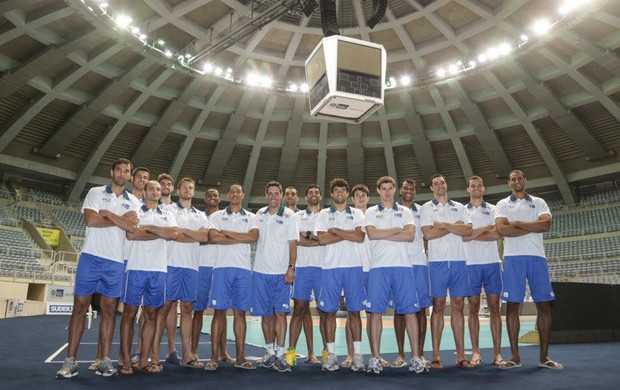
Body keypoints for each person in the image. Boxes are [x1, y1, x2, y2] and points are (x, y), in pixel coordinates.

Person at [56, 158, 140, 379]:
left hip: (115, 261)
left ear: (130, 176)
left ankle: (104, 361)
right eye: (119, 170)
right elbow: (91, 221)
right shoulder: (95, 192)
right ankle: (70, 361)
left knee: (110, 311)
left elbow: (131, 229)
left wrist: (109, 214)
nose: (122, 174)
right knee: (80, 307)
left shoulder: (133, 201)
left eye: (126, 171)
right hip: (91, 257)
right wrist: (120, 220)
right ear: (112, 172)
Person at [495, 170, 562, 370]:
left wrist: (516, 223)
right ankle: (515, 357)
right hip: (513, 259)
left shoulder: (539, 202)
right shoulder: (502, 204)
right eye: (513, 178)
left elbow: (546, 225)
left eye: (520, 178)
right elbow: (502, 230)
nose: (517, 181)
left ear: (525, 180)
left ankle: (544, 357)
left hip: (537, 258)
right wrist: (531, 226)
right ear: (509, 182)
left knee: (544, 307)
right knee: (512, 307)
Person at [364, 176, 427, 374]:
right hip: (379, 267)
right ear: (378, 191)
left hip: (403, 266)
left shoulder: (406, 211)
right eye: (384, 188)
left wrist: (383, 231)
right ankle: (375, 358)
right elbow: (372, 234)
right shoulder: (371, 211)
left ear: (395, 190)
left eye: (390, 188)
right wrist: (396, 230)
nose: (387, 191)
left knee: (409, 311)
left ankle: (416, 357)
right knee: (375, 312)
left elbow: (409, 236)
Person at [119, 181, 178, 374]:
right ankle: (126, 360)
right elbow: (132, 235)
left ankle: (144, 359)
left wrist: (148, 228)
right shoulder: (136, 212)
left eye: (158, 190)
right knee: (129, 314)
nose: (155, 192)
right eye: (151, 188)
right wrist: (159, 232)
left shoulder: (168, 214)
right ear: (144, 192)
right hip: (136, 268)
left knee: (151, 315)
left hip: (158, 270)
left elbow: (173, 234)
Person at [152, 177, 209, 369]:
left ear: (193, 191)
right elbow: (173, 234)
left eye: (190, 187)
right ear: (179, 190)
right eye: (184, 187)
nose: (187, 190)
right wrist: (191, 235)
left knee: (187, 310)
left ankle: (187, 354)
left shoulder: (201, 215)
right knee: (165, 308)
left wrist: (182, 232)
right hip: (171, 264)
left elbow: (204, 237)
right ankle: (154, 355)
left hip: (192, 266)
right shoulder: (169, 210)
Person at [420, 174, 474, 369]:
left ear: (446, 184)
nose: (440, 185)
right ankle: (436, 356)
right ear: (432, 188)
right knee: (438, 305)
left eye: (442, 182)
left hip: (459, 261)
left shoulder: (460, 207)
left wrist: (442, 224)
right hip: (437, 262)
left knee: (459, 305)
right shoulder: (427, 207)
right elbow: (428, 234)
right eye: (435, 183)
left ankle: (461, 355)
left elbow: (468, 230)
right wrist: (455, 227)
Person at [315, 178, 366, 372]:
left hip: (354, 266)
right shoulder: (323, 214)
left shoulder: (358, 214)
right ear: (331, 194)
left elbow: (359, 237)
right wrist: (348, 233)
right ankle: (331, 355)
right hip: (330, 268)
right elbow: (322, 239)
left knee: (354, 312)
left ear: (347, 193)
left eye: (343, 190)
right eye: (336, 190)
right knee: (329, 313)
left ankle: (358, 356)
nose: (339, 193)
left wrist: (335, 230)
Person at [208, 184, 258, 370]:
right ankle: (214, 357)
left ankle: (240, 358)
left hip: (244, 269)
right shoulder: (216, 216)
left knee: (240, 313)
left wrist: (227, 233)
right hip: (221, 268)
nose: (235, 194)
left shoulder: (252, 217)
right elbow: (214, 238)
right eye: (232, 191)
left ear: (243, 195)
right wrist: (240, 237)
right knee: (219, 312)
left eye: (238, 191)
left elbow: (253, 237)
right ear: (228, 195)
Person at [253, 181, 299, 372]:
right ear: (266, 195)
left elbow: (293, 245)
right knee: (266, 314)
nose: (273, 196)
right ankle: (270, 352)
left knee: (280, 314)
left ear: (281, 195)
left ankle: (281, 354)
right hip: (260, 272)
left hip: (281, 273)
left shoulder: (290, 216)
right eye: (269, 193)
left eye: (276, 193)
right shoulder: (259, 215)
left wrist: (291, 268)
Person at [462, 176, 504, 366]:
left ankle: (497, 354)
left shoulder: (494, 209)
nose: (476, 188)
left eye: (479, 185)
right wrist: (486, 228)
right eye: (473, 186)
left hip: (492, 263)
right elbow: (463, 237)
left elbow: (498, 233)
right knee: (473, 309)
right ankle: (476, 352)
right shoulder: (462, 210)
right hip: (470, 264)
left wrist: (475, 233)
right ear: (468, 189)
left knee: (495, 309)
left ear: (483, 188)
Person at [191, 189, 233, 365]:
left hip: (220, 267)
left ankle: (223, 351)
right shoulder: (199, 217)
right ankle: (193, 351)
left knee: (221, 311)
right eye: (209, 195)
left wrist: (212, 236)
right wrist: (215, 237)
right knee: (198, 310)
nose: (213, 198)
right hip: (201, 267)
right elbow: (196, 239)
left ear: (219, 198)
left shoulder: (226, 216)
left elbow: (227, 238)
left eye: (216, 195)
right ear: (205, 198)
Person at [392, 179, 431, 369]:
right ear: (400, 190)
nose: (408, 190)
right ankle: (400, 353)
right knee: (400, 309)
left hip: (419, 263)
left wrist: (424, 253)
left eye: (412, 188)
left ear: (415, 191)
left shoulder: (422, 210)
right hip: (399, 262)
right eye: (405, 187)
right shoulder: (393, 208)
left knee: (422, 309)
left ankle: (420, 353)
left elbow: (426, 236)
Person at [287, 185, 324, 367]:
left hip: (323, 268)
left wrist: (309, 236)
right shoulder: (297, 216)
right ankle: (291, 352)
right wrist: (318, 240)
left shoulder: (326, 215)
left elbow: (328, 238)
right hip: (302, 267)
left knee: (325, 311)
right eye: (310, 192)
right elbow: (296, 240)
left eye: (317, 192)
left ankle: (323, 353)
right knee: (299, 309)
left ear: (321, 196)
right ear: (306, 196)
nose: (314, 195)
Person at [155, 173, 182, 365]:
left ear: (173, 188)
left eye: (168, 184)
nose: (165, 186)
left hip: (173, 262)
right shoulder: (149, 206)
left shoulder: (176, 210)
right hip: (153, 262)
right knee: (150, 308)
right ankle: (143, 349)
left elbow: (177, 234)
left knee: (171, 307)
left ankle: (171, 349)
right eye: (161, 183)